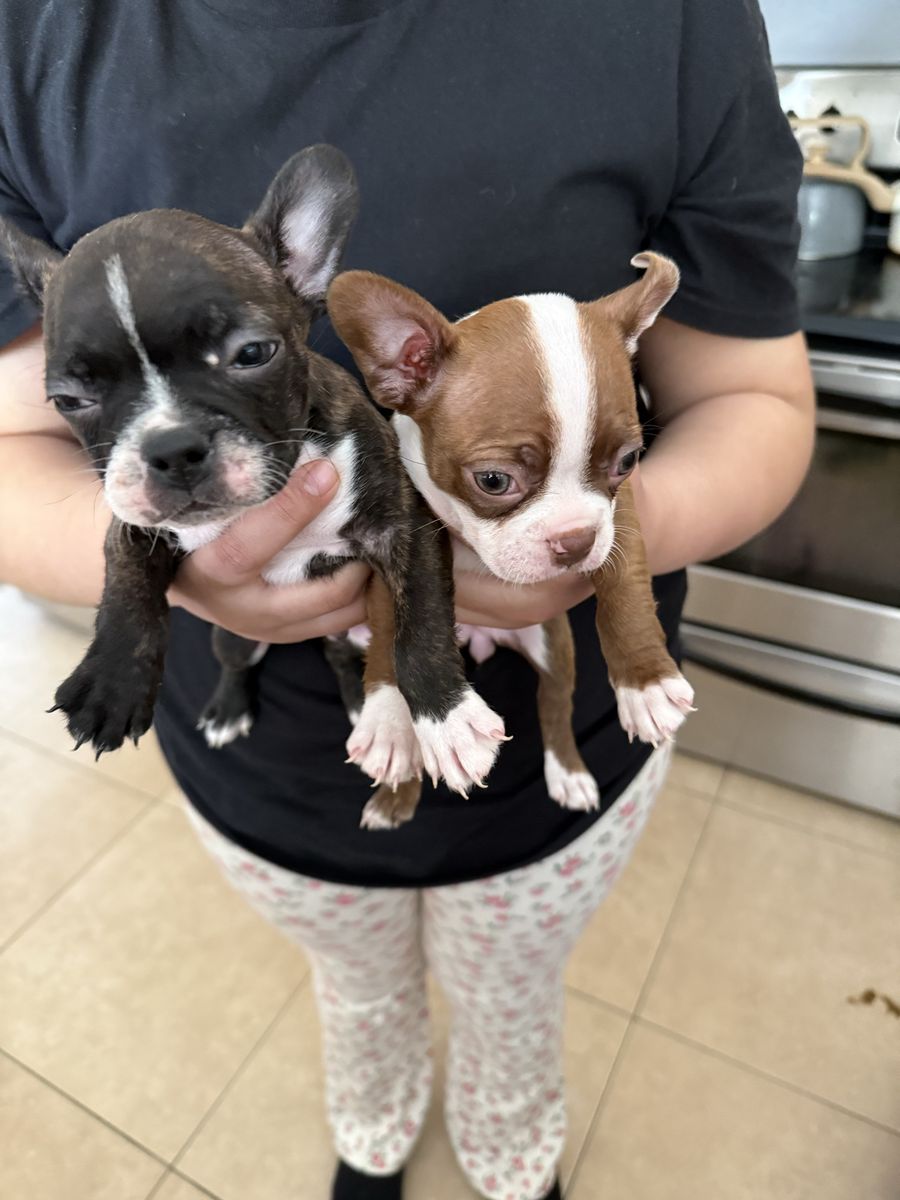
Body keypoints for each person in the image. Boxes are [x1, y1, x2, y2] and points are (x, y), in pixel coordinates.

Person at [0, 2, 814, 1197]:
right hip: (270, 774)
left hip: (561, 748)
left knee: (513, 990)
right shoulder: (31, 38)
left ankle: (511, 1148)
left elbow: (755, 397)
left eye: (247, 354)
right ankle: (373, 1129)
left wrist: (570, 543)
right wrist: (182, 577)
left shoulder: (674, 22)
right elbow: (16, 445)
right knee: (357, 986)